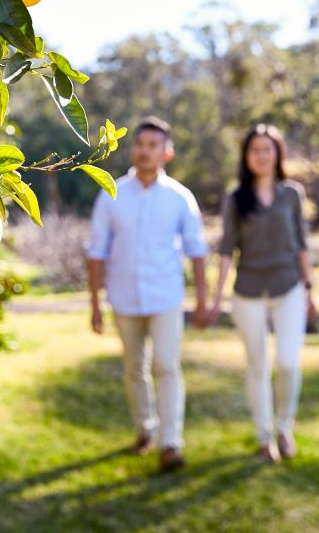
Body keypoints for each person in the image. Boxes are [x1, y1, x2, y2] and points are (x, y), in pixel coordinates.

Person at [86, 116, 208, 472]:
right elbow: (96, 252)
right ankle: (145, 429)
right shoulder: (111, 193)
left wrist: (201, 300)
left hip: (165, 297)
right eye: (140, 144)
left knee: (167, 366)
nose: (144, 150)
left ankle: (171, 443)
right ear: (133, 148)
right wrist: (94, 304)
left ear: (166, 153)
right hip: (123, 298)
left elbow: (197, 251)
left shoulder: (180, 198)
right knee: (134, 369)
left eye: (153, 145)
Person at [208, 123, 316, 463]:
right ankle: (264, 436)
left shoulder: (292, 194)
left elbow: (301, 245)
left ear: (277, 153)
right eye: (254, 150)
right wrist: (216, 297)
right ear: (246, 156)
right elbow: (226, 249)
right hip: (248, 291)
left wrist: (309, 290)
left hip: (289, 288)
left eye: (267, 149)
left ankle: (285, 426)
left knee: (287, 362)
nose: (261, 155)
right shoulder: (235, 198)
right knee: (258, 366)